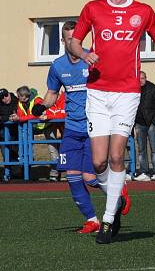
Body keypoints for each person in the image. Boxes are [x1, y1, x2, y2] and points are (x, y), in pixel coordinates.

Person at [70, 0, 155, 244]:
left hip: (127, 93)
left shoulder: (143, 11)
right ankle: (117, 197)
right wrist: (84, 54)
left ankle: (108, 219)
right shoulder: (93, 8)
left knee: (117, 156)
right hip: (98, 92)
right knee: (99, 162)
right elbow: (74, 41)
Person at [33, 20, 123, 233]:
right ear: (63, 41)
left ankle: (117, 196)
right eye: (69, 39)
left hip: (95, 127)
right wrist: (41, 106)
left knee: (90, 177)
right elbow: (53, 94)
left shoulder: (93, 60)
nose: (74, 42)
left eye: (77, 38)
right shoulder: (57, 66)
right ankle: (92, 220)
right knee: (72, 176)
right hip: (72, 128)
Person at [133, 71, 155, 181]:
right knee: (141, 150)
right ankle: (144, 172)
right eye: (139, 78)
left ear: (146, 78)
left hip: (151, 124)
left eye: (143, 78)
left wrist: (154, 121)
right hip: (139, 124)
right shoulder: (134, 90)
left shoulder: (153, 89)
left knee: (154, 149)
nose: (141, 80)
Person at [0, 88, 20, 179]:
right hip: (5, 134)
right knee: (6, 153)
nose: (5, 98)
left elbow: (14, 116)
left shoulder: (16, 101)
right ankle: (9, 173)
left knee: (21, 153)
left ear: (9, 94)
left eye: (6, 96)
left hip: (18, 132)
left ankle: (24, 173)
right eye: (2, 97)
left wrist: (1, 118)